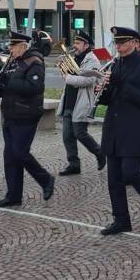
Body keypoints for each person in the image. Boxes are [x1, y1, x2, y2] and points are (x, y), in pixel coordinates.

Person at [97, 27, 140, 235]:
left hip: (134, 127)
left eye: (123, 43)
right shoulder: (116, 63)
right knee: (114, 178)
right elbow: (110, 99)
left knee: (130, 172)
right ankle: (121, 219)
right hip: (114, 126)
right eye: (117, 43)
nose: (119, 47)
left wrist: (120, 83)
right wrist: (103, 90)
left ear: (135, 43)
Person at [0, 31, 55, 208]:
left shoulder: (34, 62)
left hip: (26, 114)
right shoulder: (13, 61)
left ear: (23, 46)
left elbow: (34, 87)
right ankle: (13, 195)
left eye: (13, 46)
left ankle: (46, 179)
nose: (10, 49)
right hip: (10, 113)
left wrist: (8, 81)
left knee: (20, 152)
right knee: (10, 157)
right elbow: (7, 88)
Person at [57, 30, 106, 176]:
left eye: (78, 43)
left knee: (80, 133)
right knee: (67, 137)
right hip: (69, 101)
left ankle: (100, 153)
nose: (75, 46)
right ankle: (74, 164)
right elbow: (66, 76)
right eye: (75, 43)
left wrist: (68, 78)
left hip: (82, 102)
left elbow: (89, 80)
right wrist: (62, 69)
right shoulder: (74, 58)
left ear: (86, 45)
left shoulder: (92, 60)